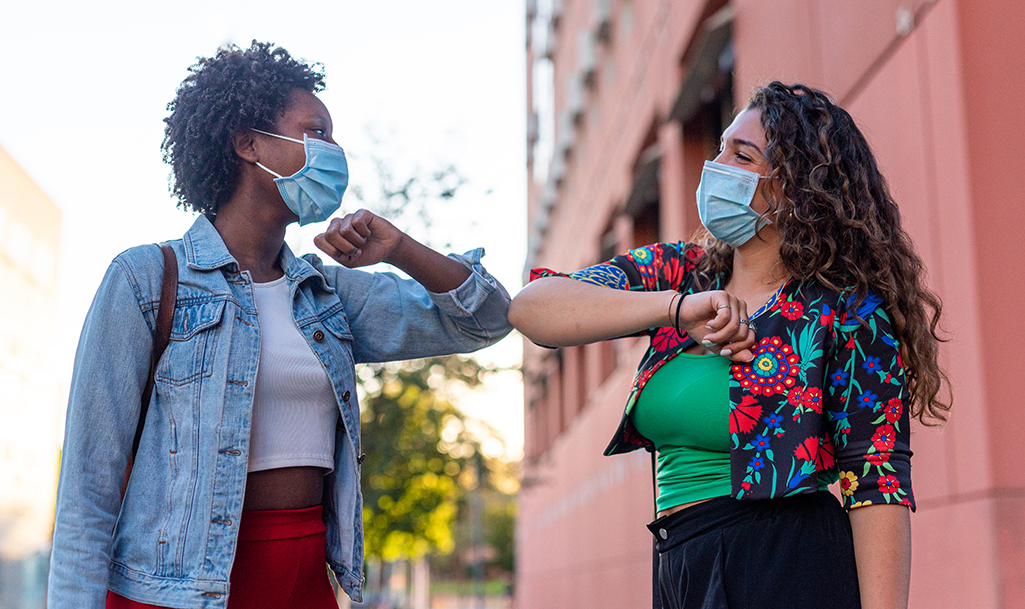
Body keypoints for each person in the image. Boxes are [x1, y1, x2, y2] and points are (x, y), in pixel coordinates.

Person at [48, 41, 512, 609]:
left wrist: (399, 248)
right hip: (173, 589)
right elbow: (87, 492)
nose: (335, 152)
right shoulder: (146, 279)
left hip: (302, 580)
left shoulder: (326, 293)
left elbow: (485, 322)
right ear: (247, 143)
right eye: (316, 131)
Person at [509, 82, 949, 609]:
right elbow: (533, 309)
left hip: (782, 560)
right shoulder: (683, 274)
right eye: (719, 147)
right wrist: (674, 309)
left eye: (741, 155)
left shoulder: (846, 309)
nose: (715, 165)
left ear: (797, 187)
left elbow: (876, 475)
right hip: (680, 560)